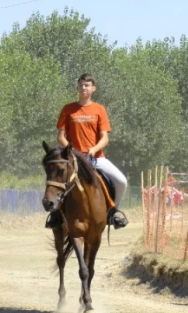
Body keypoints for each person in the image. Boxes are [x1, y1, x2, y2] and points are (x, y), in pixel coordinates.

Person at [50, 73, 129, 229]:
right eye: (80, 85)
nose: (83, 87)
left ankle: (113, 213)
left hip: (96, 158)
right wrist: (72, 152)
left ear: (93, 88)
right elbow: (60, 137)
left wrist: (93, 149)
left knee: (122, 181)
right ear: (77, 88)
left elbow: (104, 138)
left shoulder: (99, 109)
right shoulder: (68, 109)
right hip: (73, 158)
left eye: (87, 85)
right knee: (54, 178)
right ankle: (56, 214)